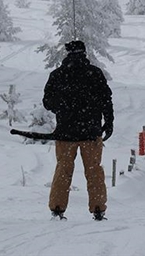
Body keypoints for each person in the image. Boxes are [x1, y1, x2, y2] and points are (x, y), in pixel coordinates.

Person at [43, 40, 114, 221]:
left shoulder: (58, 75)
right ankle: (98, 210)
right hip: (91, 132)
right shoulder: (95, 74)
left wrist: (64, 106)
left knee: (63, 170)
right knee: (94, 171)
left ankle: (57, 209)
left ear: (67, 54)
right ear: (84, 53)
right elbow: (106, 100)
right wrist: (109, 121)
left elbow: (47, 102)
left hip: (65, 133)